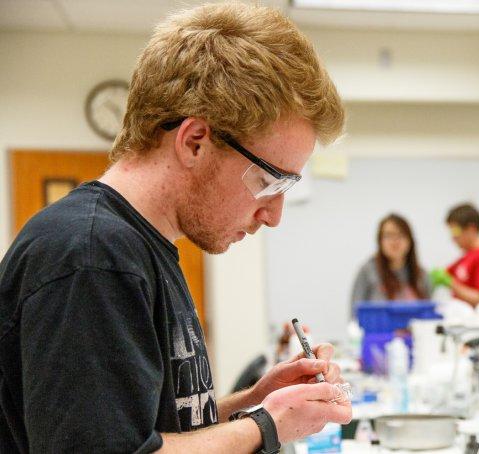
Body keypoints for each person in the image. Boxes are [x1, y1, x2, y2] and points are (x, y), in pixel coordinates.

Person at [0, 3, 350, 452]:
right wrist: (267, 425)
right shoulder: (91, 255)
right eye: (268, 181)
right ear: (195, 142)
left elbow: (147, 431)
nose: (273, 214)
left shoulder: (142, 247)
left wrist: (258, 401)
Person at [350, 213, 431, 314]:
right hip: (378, 329)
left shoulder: (421, 274)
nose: (395, 241)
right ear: (380, 241)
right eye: (388, 235)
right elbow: (355, 314)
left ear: (410, 240)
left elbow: (429, 312)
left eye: (400, 235)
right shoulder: (368, 271)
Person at [432, 203, 479, 307]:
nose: (453, 237)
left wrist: (450, 283)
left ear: (472, 229)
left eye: (455, 231)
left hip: (476, 321)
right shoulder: (465, 258)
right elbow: (445, 273)